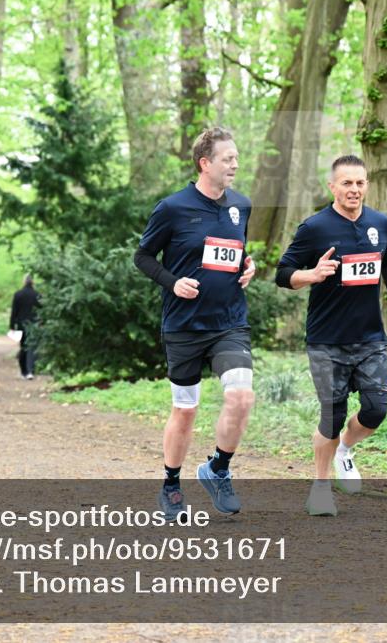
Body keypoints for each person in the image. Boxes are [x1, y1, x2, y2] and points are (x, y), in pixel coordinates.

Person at [275, 155, 387, 516]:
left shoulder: (379, 222)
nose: (354, 189)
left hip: (370, 337)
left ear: (367, 185)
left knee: (376, 409)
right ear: (332, 186)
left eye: (360, 183)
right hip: (327, 340)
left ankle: (345, 450)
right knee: (332, 417)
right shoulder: (315, 227)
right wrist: (312, 274)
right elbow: (283, 273)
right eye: (347, 183)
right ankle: (320, 488)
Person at [134, 126, 256, 520]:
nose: (235, 164)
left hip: (229, 322)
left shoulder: (241, 206)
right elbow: (143, 257)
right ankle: (171, 484)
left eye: (236, 158)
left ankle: (218, 468)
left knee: (241, 396)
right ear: (205, 163)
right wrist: (173, 282)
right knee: (185, 410)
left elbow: (236, 251)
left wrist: (248, 265)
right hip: (184, 325)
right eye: (227, 159)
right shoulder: (172, 208)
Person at [10, 273, 42, 380]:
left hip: (21, 324)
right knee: (32, 347)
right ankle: (30, 370)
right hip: (34, 324)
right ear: (33, 282)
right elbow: (41, 311)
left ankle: (23, 371)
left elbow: (14, 311)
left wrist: (12, 326)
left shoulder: (18, 294)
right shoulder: (37, 295)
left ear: (24, 281)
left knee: (23, 346)